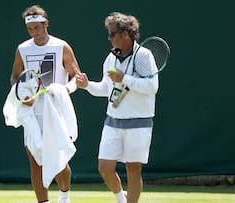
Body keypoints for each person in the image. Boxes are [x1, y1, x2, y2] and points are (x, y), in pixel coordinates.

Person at [75, 12, 159, 203]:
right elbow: (105, 89)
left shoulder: (144, 55)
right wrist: (87, 85)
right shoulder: (110, 59)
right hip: (112, 122)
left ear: (125, 34)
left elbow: (152, 87)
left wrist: (125, 79)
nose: (109, 38)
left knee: (133, 169)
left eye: (112, 34)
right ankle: (122, 199)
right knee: (104, 167)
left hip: (139, 123)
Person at [9, 5, 81, 203]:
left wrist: (64, 90)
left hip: (56, 111)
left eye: (37, 27)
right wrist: (23, 95)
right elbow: (15, 78)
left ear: (46, 24)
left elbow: (77, 77)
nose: (34, 32)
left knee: (58, 160)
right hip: (32, 113)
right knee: (35, 161)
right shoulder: (22, 49)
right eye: (30, 29)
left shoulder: (61, 46)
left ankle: (64, 196)